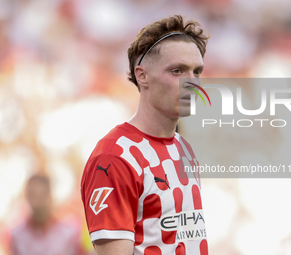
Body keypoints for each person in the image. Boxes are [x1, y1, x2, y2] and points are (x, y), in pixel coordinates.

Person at [81, 15, 209, 255]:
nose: (192, 83)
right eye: (177, 71)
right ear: (142, 76)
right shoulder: (114, 158)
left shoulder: (184, 148)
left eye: (197, 71)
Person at [10, 174, 86, 255]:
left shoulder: (69, 234)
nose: (36, 202)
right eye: (33, 196)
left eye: (41, 195)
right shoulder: (17, 236)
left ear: (50, 196)